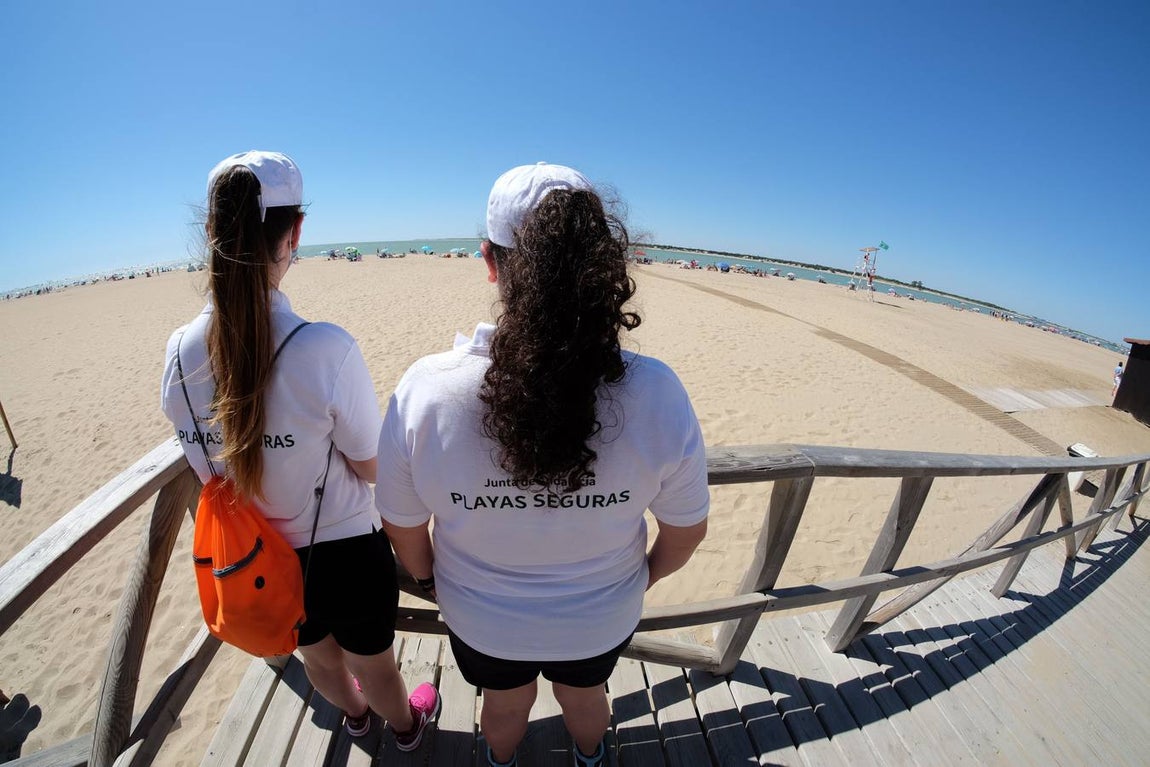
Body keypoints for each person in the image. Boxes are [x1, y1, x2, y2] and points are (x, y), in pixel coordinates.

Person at [376, 162, 710, 767]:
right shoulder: (656, 392)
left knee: (504, 706)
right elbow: (686, 531)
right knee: (586, 698)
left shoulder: (428, 391)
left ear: (490, 260)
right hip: (602, 614)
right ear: (599, 264)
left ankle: (502, 764)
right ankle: (589, 759)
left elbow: (402, 525)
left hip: (480, 617)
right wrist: (641, 579)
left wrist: (428, 580)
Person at [159, 151, 438, 747]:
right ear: (295, 234)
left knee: (317, 659)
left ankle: (355, 718)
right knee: (375, 663)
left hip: (258, 554)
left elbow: (202, 461)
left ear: (211, 234)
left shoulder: (179, 355)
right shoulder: (323, 348)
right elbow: (370, 466)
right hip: (343, 549)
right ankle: (406, 728)